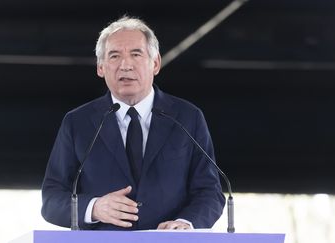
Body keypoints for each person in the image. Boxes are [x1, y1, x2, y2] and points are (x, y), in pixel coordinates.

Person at [41, 16, 225, 230]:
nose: (125, 65)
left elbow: (210, 192)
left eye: (136, 54)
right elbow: (52, 200)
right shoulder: (77, 122)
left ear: (155, 63)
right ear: (100, 67)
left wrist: (184, 224)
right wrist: (94, 207)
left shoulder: (187, 117)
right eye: (114, 56)